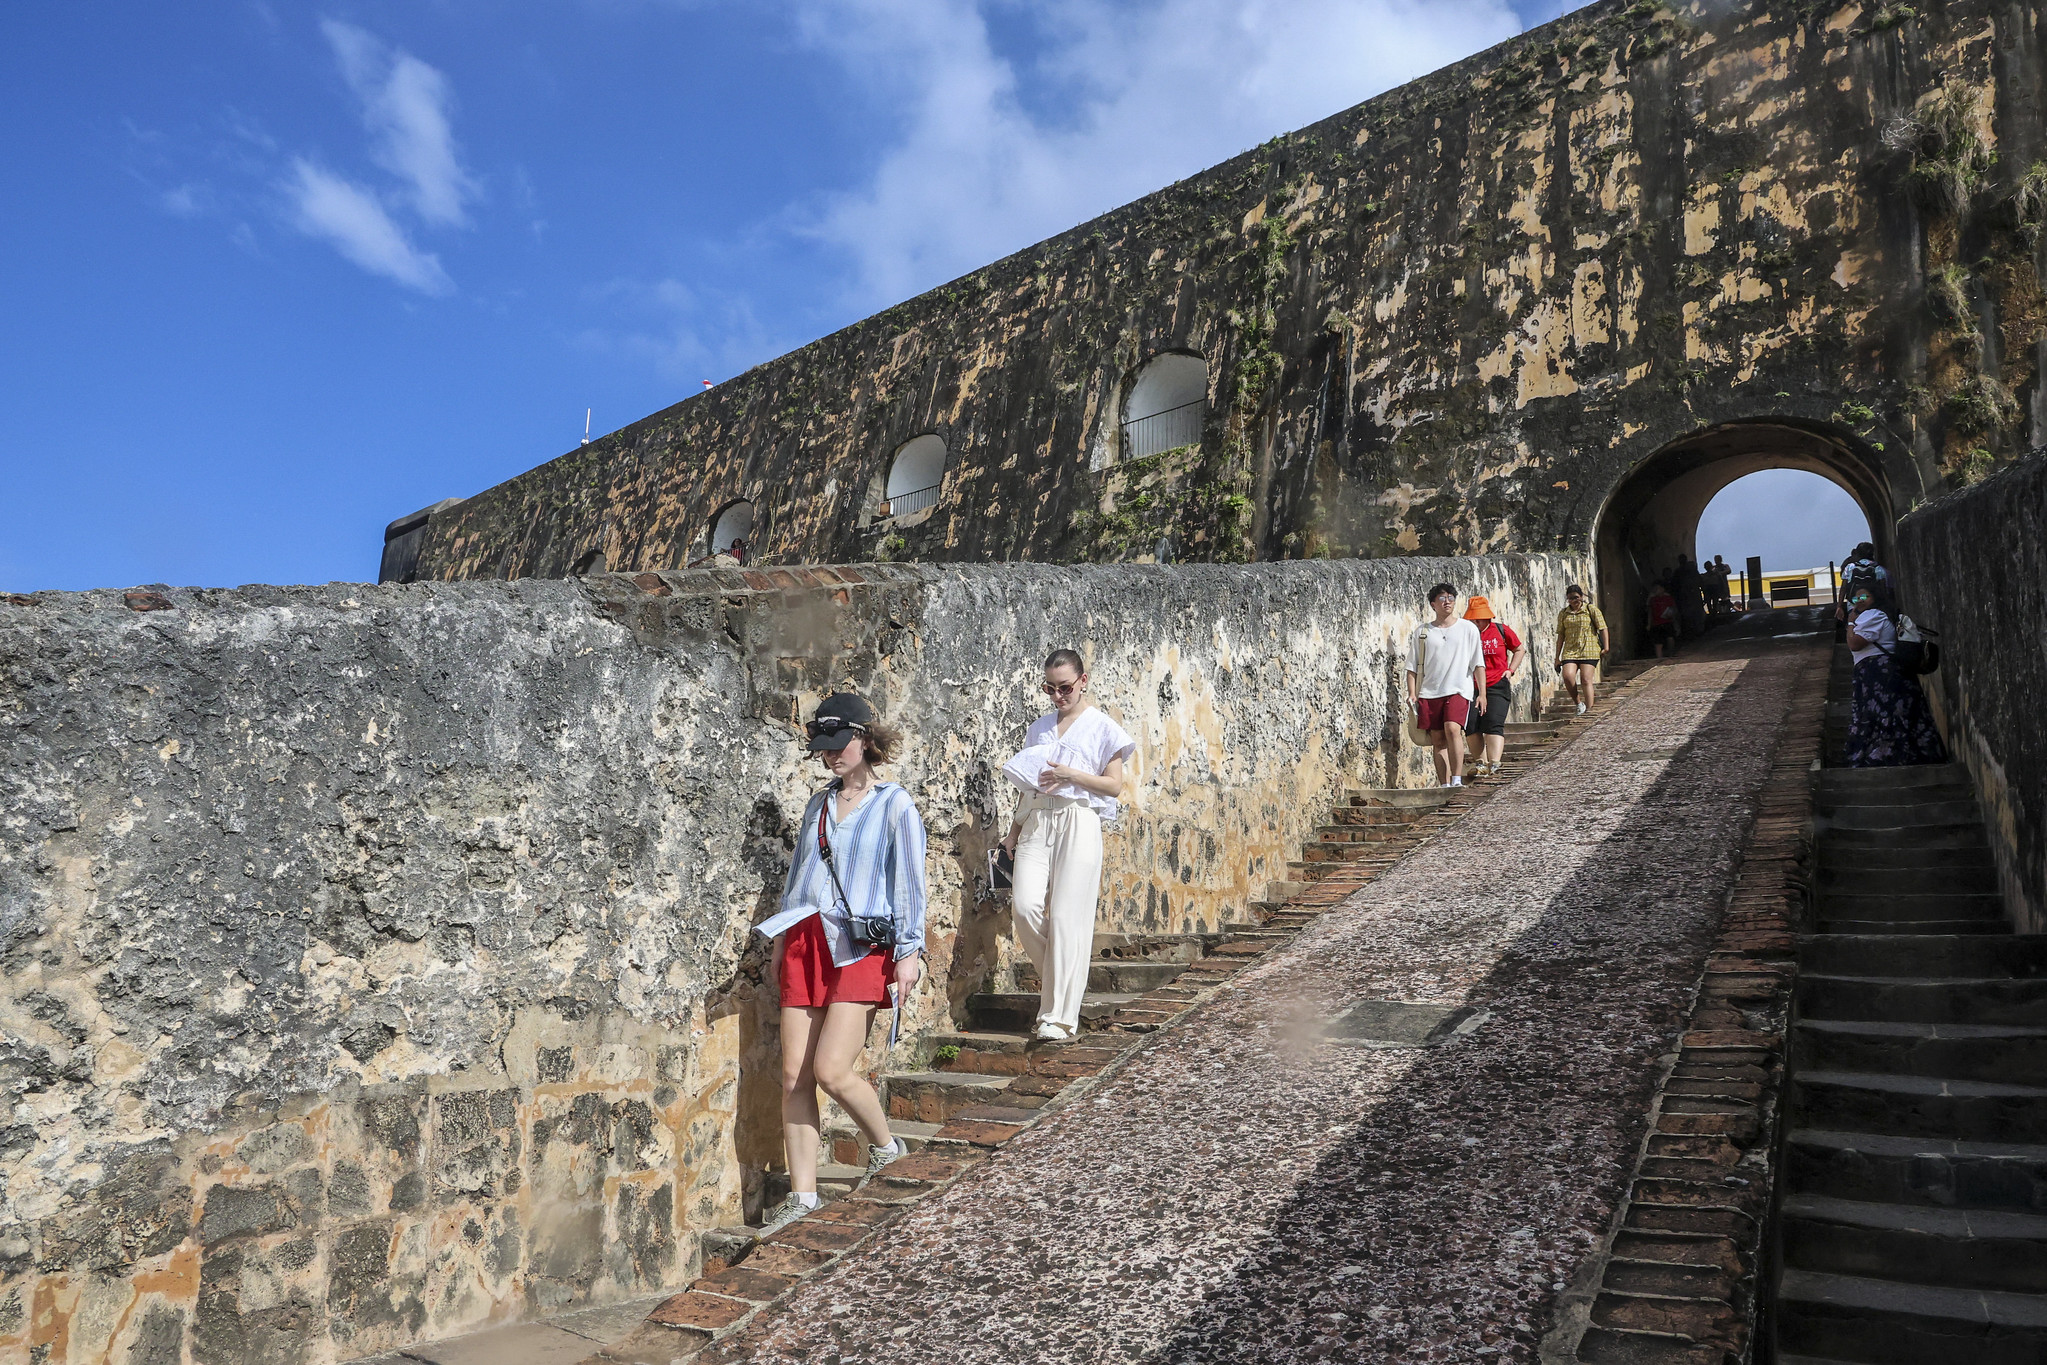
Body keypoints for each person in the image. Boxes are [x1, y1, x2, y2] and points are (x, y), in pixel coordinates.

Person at [754, 692, 927, 1234]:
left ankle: (886, 1146)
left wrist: (910, 951)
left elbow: (910, 884)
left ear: (866, 738)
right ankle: (804, 1197)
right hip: (805, 940)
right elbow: (799, 875)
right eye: (822, 748)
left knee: (831, 1070)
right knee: (792, 1076)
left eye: (838, 744)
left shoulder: (895, 804)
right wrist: (782, 937)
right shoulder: (818, 805)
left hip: (860, 946)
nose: (830, 756)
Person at [1000, 650, 1135, 1041]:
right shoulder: (1039, 728)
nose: (1058, 696)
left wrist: (1071, 774)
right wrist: (1013, 830)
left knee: (1064, 918)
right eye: (1050, 688)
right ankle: (1061, 980)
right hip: (1037, 819)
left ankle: (1057, 1018)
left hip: (1079, 818)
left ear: (1083, 681)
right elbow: (1030, 783)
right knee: (1024, 907)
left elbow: (1114, 786)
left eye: (1065, 687)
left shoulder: (1103, 727)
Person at [1845, 588, 1947, 767]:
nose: (1859, 600)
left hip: (1879, 675)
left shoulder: (1874, 615)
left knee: (1885, 718)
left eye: (1864, 596)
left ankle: (1892, 760)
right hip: (1877, 675)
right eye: (1856, 597)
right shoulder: (1873, 615)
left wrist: (1850, 624)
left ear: (1875, 598)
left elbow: (1855, 644)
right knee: (1887, 717)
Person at [1405, 583, 1487, 787]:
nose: (1447, 601)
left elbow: (1478, 663)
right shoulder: (1422, 632)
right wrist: (1412, 693)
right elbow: (1411, 667)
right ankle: (1444, 783)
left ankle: (1457, 779)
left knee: (1452, 729)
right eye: (1442, 598)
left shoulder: (1468, 628)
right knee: (1438, 739)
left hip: (1459, 689)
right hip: (1430, 692)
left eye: (1451, 597)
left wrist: (1482, 693)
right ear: (1433, 604)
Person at [1461, 596, 1524, 778]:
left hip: (1496, 683)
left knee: (1493, 723)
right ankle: (1480, 763)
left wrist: (1510, 670)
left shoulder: (1501, 630)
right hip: (1470, 685)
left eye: (1480, 619)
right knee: (1471, 724)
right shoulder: (1466, 634)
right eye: (1474, 619)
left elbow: (1519, 649)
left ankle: (1495, 763)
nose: (1477, 622)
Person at [1554, 584, 1609, 715]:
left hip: (1589, 649)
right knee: (1567, 676)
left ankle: (1590, 711)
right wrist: (1557, 657)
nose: (1574, 601)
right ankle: (1579, 703)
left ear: (1581, 597)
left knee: (1586, 679)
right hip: (1570, 650)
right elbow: (1561, 635)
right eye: (1570, 598)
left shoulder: (1591, 610)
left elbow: (1603, 628)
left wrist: (1606, 646)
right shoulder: (1564, 613)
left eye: (1576, 597)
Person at [1646, 581, 1679, 658]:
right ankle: (1659, 659)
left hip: (1667, 621)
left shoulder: (1668, 598)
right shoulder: (1652, 599)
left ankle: (1671, 655)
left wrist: (1673, 619)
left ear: (1662, 589)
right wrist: (1649, 624)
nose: (1656, 590)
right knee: (1658, 643)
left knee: (1670, 638)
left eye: (1658, 588)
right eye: (1654, 589)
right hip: (1656, 623)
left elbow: (1674, 609)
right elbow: (1650, 612)